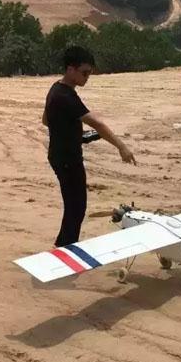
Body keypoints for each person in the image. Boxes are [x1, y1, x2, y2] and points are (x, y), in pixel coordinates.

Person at [42, 45, 136, 247]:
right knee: (76, 207)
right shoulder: (66, 96)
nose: (87, 77)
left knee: (74, 206)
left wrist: (71, 133)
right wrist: (121, 147)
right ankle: (65, 248)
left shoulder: (56, 89)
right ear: (70, 69)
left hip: (60, 155)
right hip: (67, 159)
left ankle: (64, 246)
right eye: (84, 73)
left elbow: (46, 120)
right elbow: (97, 124)